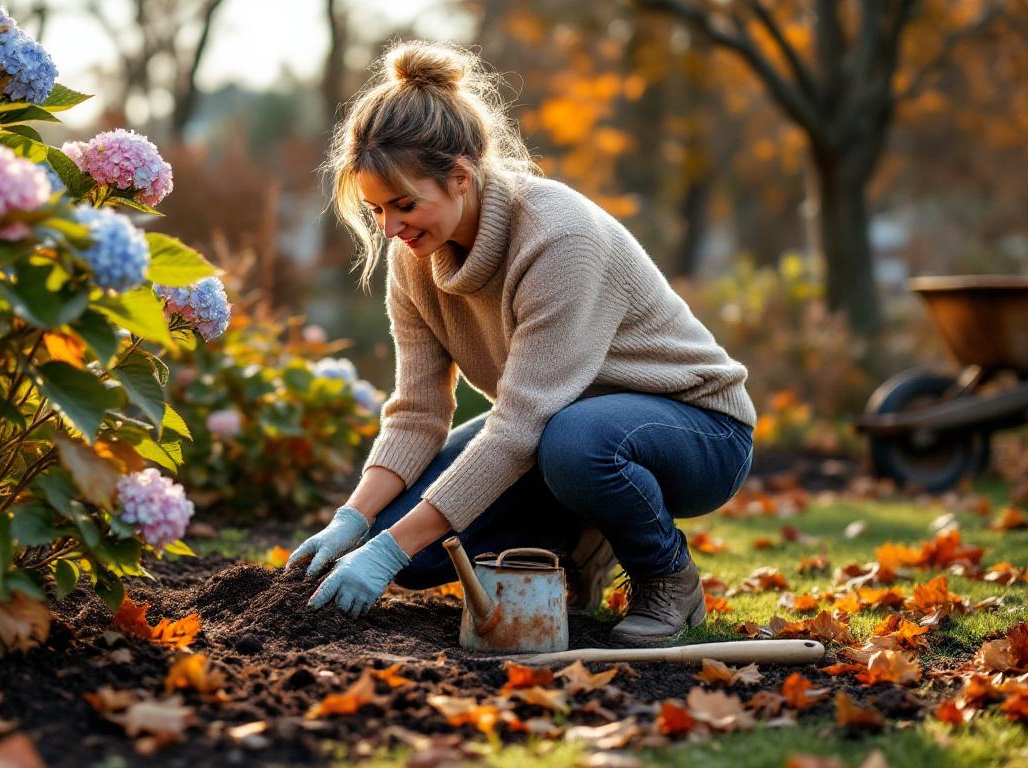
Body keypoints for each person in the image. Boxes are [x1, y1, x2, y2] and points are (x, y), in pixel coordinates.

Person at [286, 40, 756, 647]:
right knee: (418, 552)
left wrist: (385, 550)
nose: (391, 229)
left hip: (696, 432)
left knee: (574, 444)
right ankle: (584, 538)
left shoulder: (558, 239)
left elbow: (519, 424)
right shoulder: (414, 260)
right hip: (557, 432)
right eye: (377, 211)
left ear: (460, 175)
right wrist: (355, 521)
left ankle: (668, 580)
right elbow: (417, 411)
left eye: (405, 205)